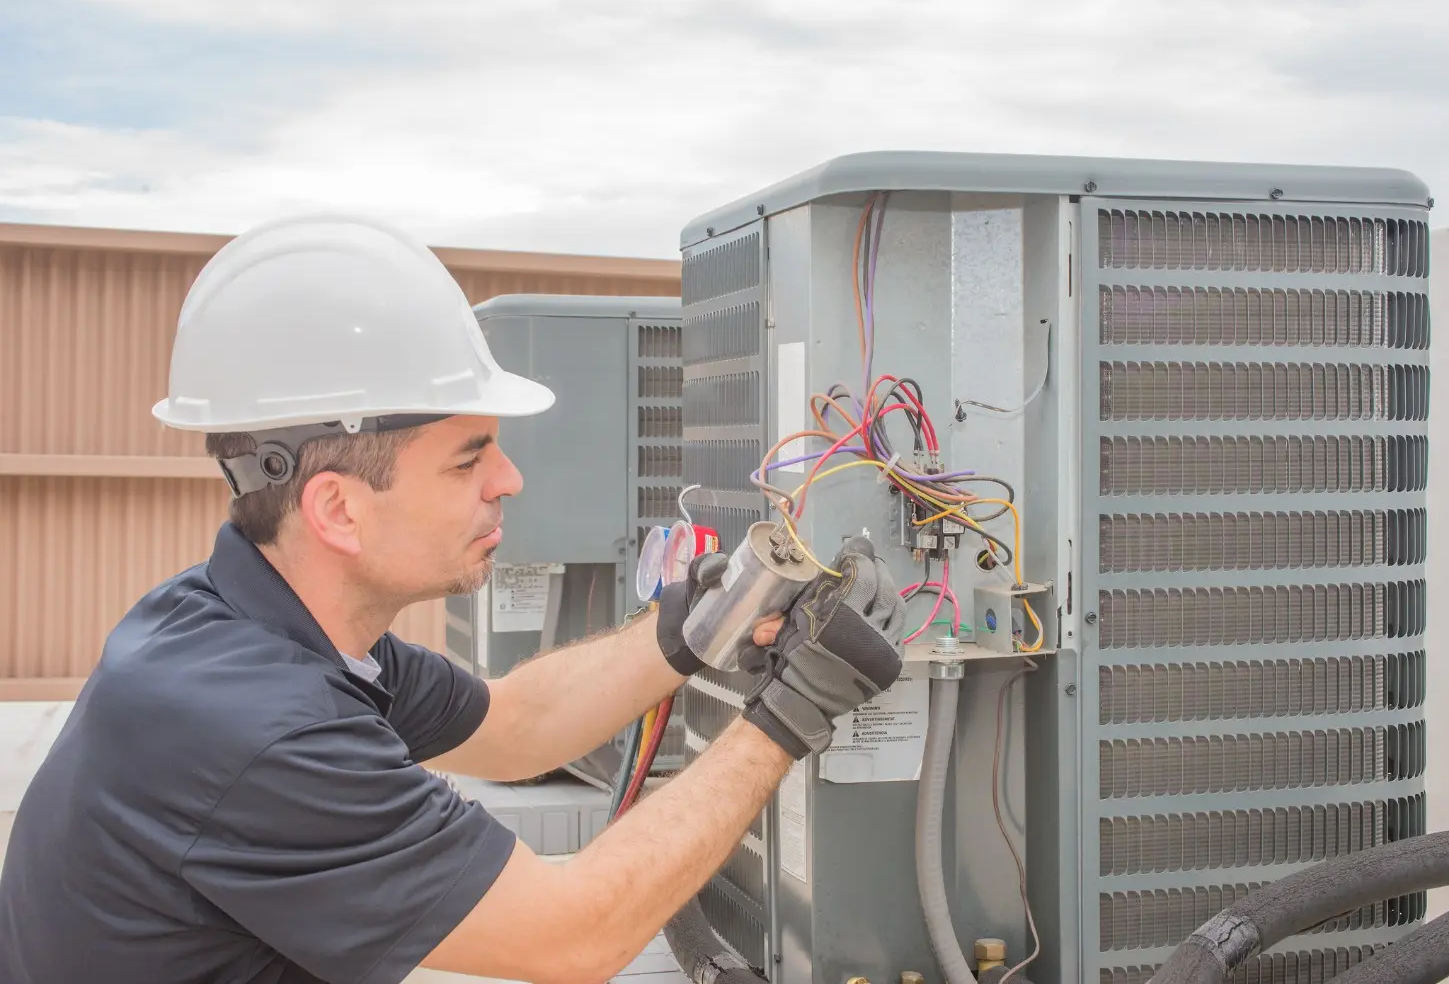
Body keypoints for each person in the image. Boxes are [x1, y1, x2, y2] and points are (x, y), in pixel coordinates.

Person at [0, 214, 906, 984]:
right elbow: (573, 933)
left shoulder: (242, 623)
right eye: (470, 458)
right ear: (338, 509)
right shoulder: (260, 732)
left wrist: (689, 628)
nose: (508, 479)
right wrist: (790, 716)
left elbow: (510, 724)